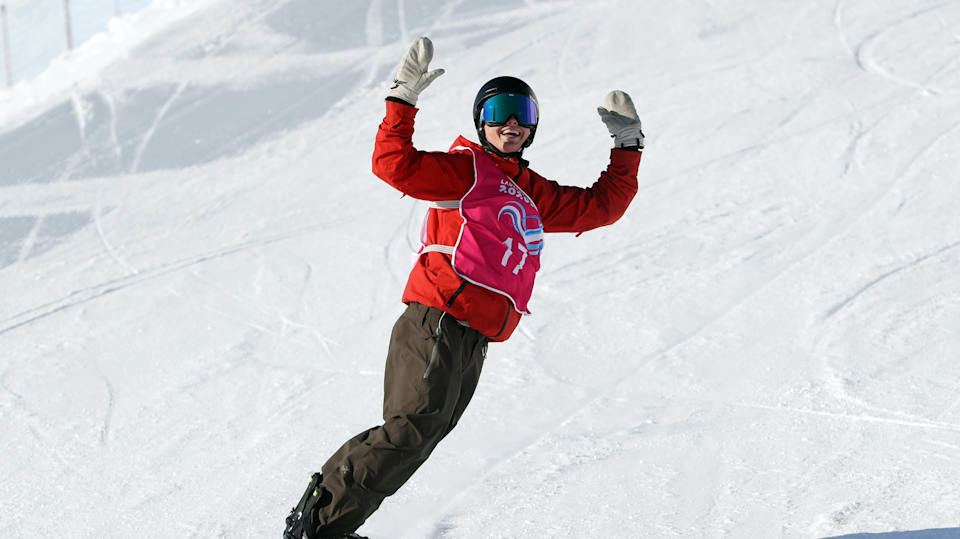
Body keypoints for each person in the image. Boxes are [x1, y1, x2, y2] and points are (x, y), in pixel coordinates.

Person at [283, 36, 644, 539]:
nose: (510, 122)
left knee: (424, 434)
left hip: (474, 335)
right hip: (438, 317)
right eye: (498, 112)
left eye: (521, 112)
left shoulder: (533, 192)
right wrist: (403, 99)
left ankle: (329, 525)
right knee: (410, 429)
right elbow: (393, 164)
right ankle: (317, 527)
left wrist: (627, 146)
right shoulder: (467, 170)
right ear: (481, 121)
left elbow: (599, 207)